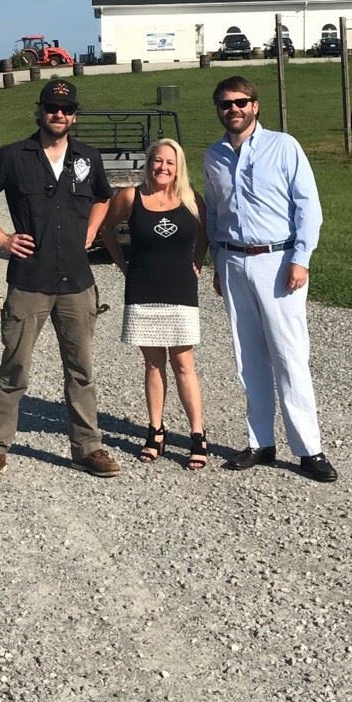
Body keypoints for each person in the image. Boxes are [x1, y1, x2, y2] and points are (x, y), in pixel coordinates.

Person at [0, 80, 121, 484]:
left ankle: (88, 447)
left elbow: (104, 197)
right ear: (41, 111)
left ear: (74, 116)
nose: (59, 115)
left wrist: (92, 231)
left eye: (66, 110)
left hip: (77, 283)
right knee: (14, 370)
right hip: (29, 281)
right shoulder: (13, 156)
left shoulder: (88, 157)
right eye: (52, 108)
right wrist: (1, 239)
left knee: (81, 370)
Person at [203, 75, 338, 482]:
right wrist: (216, 261)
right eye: (226, 104)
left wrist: (301, 258)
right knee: (248, 357)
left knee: (289, 356)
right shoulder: (213, 156)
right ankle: (260, 441)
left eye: (241, 102)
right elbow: (214, 211)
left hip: (278, 263)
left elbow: (308, 207)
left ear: (255, 105)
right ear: (219, 110)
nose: (234, 110)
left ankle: (308, 449)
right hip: (232, 262)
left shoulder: (284, 146)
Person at [100, 139, 209, 469]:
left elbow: (205, 233)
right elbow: (106, 227)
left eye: (170, 163)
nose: (163, 168)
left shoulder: (190, 199)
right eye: (157, 161)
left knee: (183, 364)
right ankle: (156, 430)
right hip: (143, 288)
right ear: (148, 164)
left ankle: (197, 434)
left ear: (179, 168)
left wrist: (199, 263)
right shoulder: (131, 197)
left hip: (180, 290)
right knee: (152, 364)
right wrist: (122, 265)